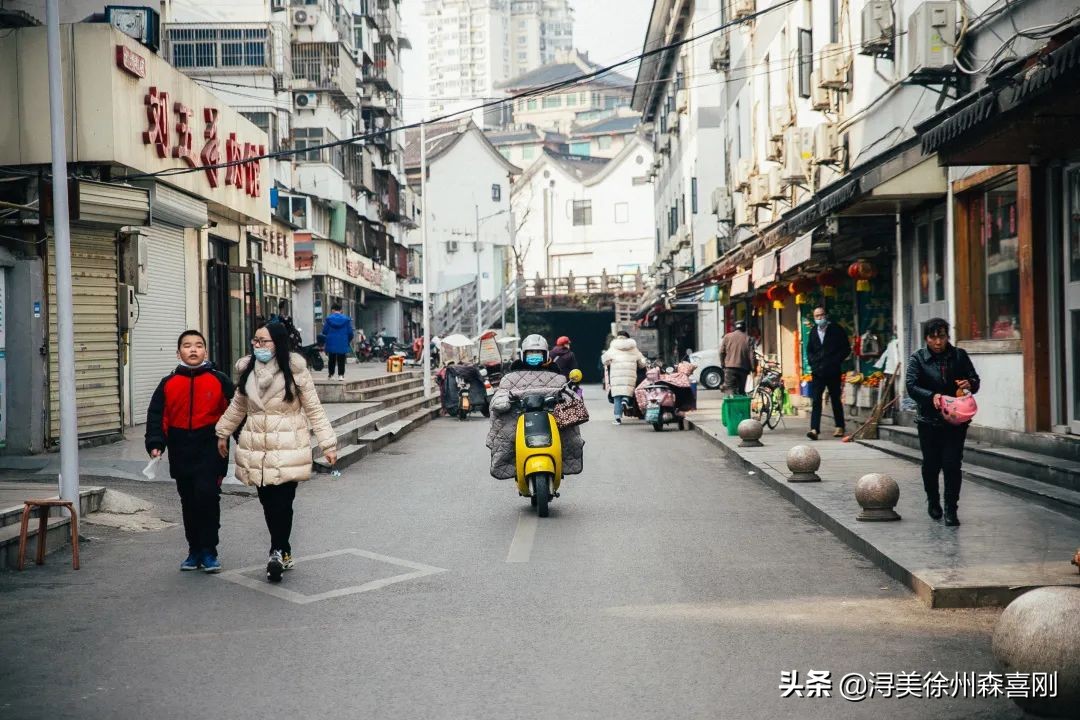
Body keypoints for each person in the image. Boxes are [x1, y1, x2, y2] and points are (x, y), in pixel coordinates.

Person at [215, 322, 338, 582]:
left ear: (278, 343)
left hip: (289, 445)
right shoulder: (248, 370)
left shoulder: (295, 371)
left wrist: (328, 444)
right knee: (268, 502)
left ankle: (277, 550)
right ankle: (284, 548)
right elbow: (238, 406)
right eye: (255, 341)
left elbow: (314, 409)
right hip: (257, 446)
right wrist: (222, 432)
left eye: (264, 341)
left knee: (283, 501)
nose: (258, 346)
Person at [145, 330, 234, 573]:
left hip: (212, 447)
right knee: (189, 500)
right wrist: (156, 443)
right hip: (180, 448)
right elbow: (157, 416)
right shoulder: (168, 383)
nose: (193, 349)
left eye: (198, 345)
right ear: (178, 352)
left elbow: (236, 413)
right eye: (187, 345)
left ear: (206, 351)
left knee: (207, 495)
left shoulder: (220, 380)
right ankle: (194, 550)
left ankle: (209, 550)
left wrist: (243, 441)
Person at [905, 318, 980, 527]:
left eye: (942, 337)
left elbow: (975, 380)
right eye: (933, 337)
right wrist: (931, 396)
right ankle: (933, 501)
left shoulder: (959, 356)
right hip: (928, 421)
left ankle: (951, 509)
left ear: (948, 336)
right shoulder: (918, 359)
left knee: (952, 464)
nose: (938, 342)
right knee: (931, 465)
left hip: (955, 422)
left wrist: (970, 383)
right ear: (926, 338)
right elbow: (911, 386)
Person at [487, 334, 586, 480]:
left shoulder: (555, 373)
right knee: (505, 435)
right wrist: (502, 401)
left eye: (538, 353)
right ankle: (510, 463)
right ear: (523, 354)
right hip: (519, 416)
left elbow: (567, 392)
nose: (535, 357)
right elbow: (501, 393)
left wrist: (569, 398)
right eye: (531, 353)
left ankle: (564, 462)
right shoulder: (511, 375)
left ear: (545, 354)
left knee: (569, 434)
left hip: (549, 415)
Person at [805, 306, 851, 441]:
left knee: (835, 399)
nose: (819, 318)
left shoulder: (836, 330)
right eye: (816, 316)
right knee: (816, 400)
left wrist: (835, 361)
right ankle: (814, 429)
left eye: (821, 315)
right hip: (818, 372)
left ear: (826, 315)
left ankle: (839, 426)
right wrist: (813, 363)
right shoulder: (813, 331)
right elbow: (810, 351)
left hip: (833, 371)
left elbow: (846, 349)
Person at [602, 331, 647, 425]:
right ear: (628, 337)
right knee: (628, 390)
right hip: (629, 374)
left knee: (617, 396)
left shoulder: (613, 346)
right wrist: (642, 365)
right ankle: (625, 400)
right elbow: (642, 363)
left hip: (616, 375)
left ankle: (617, 419)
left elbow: (605, 359)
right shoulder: (633, 347)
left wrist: (609, 362)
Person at [718, 320, 756, 395]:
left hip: (730, 368)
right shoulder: (748, 338)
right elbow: (751, 356)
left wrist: (723, 364)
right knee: (741, 391)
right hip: (743, 369)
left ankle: (731, 405)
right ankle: (740, 405)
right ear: (744, 328)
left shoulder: (727, 337)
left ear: (735, 328)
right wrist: (753, 368)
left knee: (729, 389)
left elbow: (721, 352)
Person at [321, 303, 354, 381]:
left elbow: (324, 331)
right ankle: (341, 375)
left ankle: (331, 375)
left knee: (331, 359)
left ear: (333, 310)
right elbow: (350, 333)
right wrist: (347, 340)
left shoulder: (329, 319)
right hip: (342, 342)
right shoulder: (346, 320)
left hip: (331, 342)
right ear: (341, 310)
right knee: (341, 359)